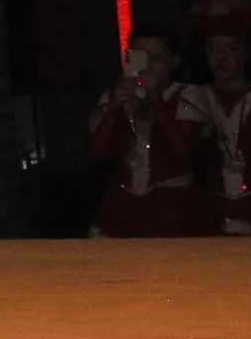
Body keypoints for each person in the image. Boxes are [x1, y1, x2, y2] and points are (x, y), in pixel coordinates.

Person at [174, 0, 251, 236]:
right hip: (211, 217)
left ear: (247, 54)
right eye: (212, 48)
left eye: (231, 48)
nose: (220, 57)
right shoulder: (195, 97)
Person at [82, 26, 200, 238]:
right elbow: (96, 153)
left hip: (171, 206)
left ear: (174, 61)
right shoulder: (114, 99)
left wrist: (157, 101)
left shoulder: (187, 95)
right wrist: (115, 106)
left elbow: (182, 149)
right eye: (140, 59)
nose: (147, 68)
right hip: (124, 206)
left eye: (156, 59)